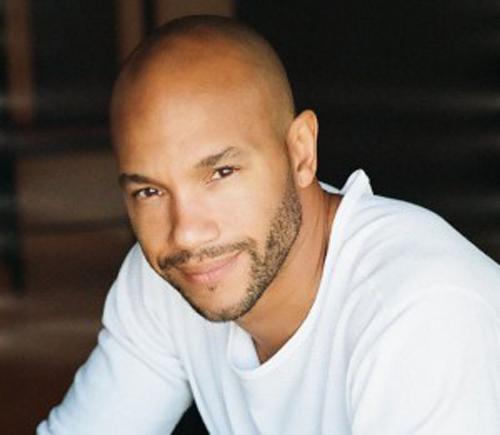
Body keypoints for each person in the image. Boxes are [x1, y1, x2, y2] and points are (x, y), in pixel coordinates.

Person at [38, 15, 500, 435]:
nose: (187, 233)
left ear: (301, 152)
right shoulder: (167, 280)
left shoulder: (424, 315)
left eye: (221, 173)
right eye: (150, 192)